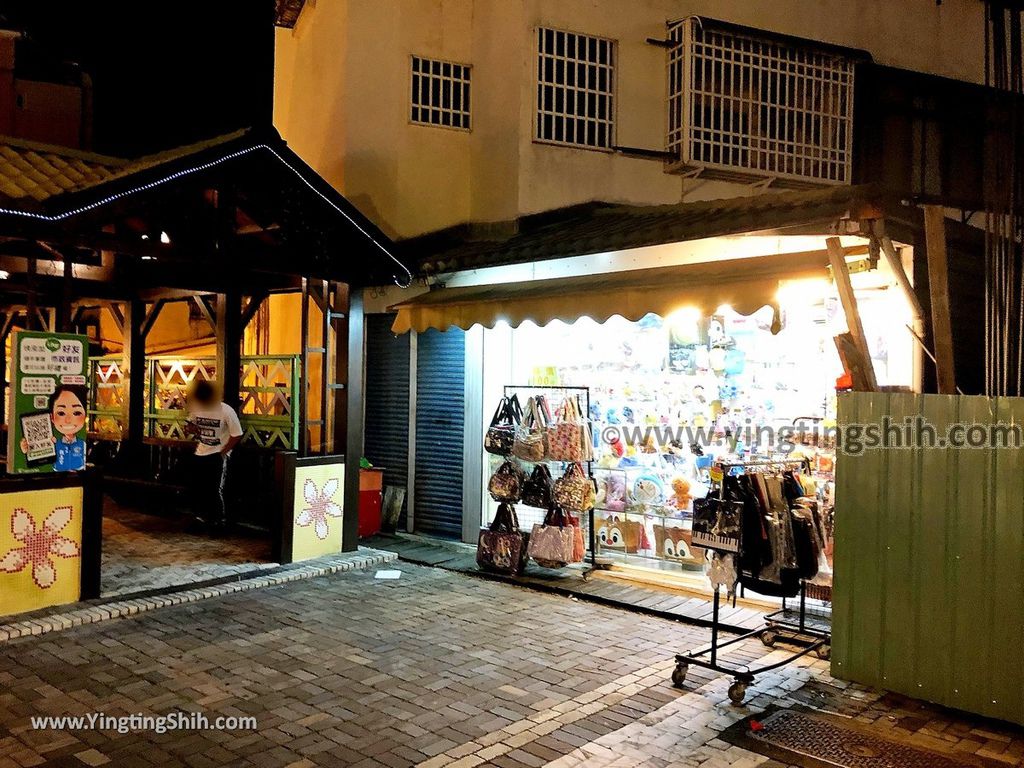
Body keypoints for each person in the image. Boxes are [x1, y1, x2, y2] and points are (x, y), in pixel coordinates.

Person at [184, 380, 243, 534]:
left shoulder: (226, 411)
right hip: (201, 452)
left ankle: (218, 521)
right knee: (198, 487)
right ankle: (200, 519)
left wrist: (223, 452)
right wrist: (192, 428)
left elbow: (237, 434)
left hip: (217, 453)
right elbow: (189, 427)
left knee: (215, 489)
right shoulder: (197, 408)